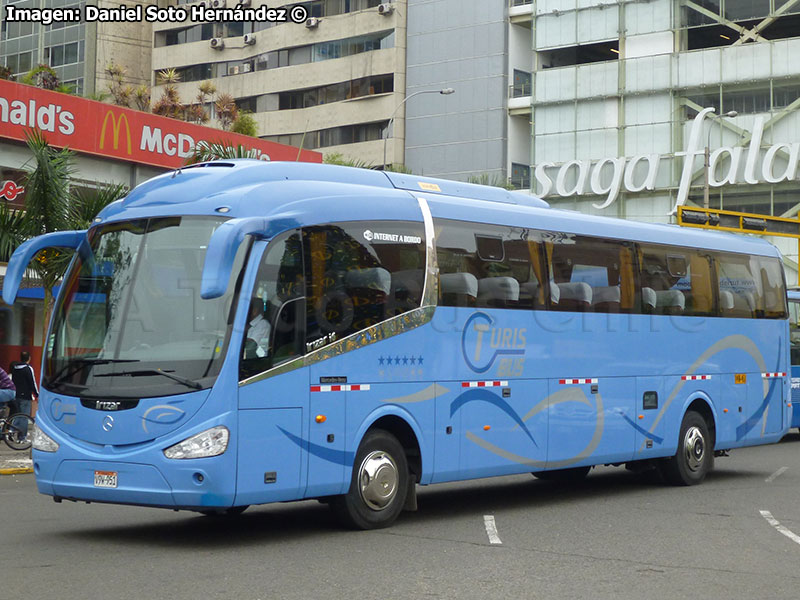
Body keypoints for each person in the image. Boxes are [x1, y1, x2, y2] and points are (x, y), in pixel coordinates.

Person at [10, 352, 38, 427]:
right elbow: (32, 382)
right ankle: (22, 436)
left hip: (15, 395)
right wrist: (37, 394)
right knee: (24, 417)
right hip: (25, 396)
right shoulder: (28, 368)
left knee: (17, 415)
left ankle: (11, 430)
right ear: (29, 358)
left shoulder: (15, 368)